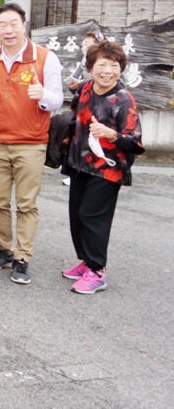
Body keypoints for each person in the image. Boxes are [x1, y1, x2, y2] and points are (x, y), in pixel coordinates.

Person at [0, 3, 63, 284]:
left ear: (24, 24)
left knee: (26, 203)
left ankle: (23, 256)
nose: (8, 30)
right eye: (2, 25)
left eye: (13, 23)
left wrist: (42, 95)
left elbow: (57, 99)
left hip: (30, 142)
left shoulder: (44, 57)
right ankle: (4, 249)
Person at [61, 41, 143, 294]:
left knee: (92, 216)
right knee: (76, 214)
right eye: (102, 64)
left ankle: (97, 270)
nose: (108, 71)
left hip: (108, 169)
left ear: (121, 69)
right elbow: (75, 113)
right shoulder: (85, 88)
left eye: (114, 65)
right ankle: (86, 261)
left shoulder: (124, 99)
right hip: (79, 164)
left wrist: (112, 134)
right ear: (91, 67)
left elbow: (136, 142)